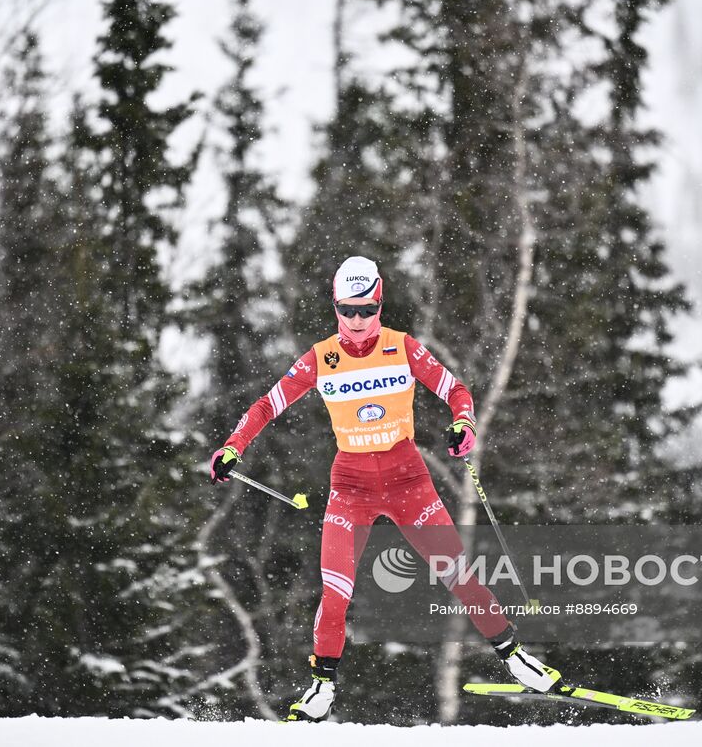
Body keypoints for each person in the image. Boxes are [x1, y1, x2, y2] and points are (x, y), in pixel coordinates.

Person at [209, 255, 565, 722]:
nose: (357, 321)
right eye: (347, 310)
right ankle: (321, 687)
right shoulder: (321, 357)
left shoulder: (404, 347)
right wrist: (233, 447)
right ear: (336, 308)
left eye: (366, 310)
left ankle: (517, 659)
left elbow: (456, 390)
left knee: (458, 574)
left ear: (380, 304)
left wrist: (464, 424)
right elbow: (265, 407)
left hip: (408, 482)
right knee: (336, 591)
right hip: (350, 488)